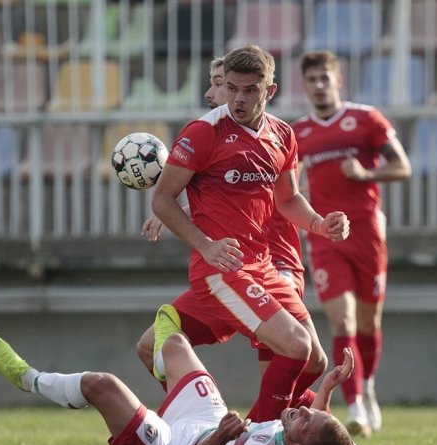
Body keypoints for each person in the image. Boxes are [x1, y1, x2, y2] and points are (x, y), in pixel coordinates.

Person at [150, 44, 350, 423]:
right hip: (222, 269)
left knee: (315, 361)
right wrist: (205, 246)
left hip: (262, 266)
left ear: (269, 91)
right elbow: (162, 200)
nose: (238, 99)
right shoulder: (204, 132)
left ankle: (267, 429)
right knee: (295, 346)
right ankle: (255, 436)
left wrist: (320, 224)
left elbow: (288, 199)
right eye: (232, 88)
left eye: (249, 90)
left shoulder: (281, 135)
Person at [0, 304, 360, 445]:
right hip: (208, 428)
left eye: (307, 419)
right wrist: (326, 388)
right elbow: (319, 432)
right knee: (176, 341)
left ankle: (28, 379)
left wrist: (222, 437)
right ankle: (164, 368)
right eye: (316, 413)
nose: (302, 409)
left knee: (102, 384)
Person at [291, 51, 412, 437]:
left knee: (367, 322)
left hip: (367, 232)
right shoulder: (299, 133)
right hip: (326, 236)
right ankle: (355, 404)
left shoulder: (366, 119)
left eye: (325, 77)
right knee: (340, 320)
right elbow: (287, 187)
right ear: (304, 84)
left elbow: (403, 167)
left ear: (338, 79)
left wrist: (365, 172)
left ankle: (368, 386)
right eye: (312, 79)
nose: (319, 85)